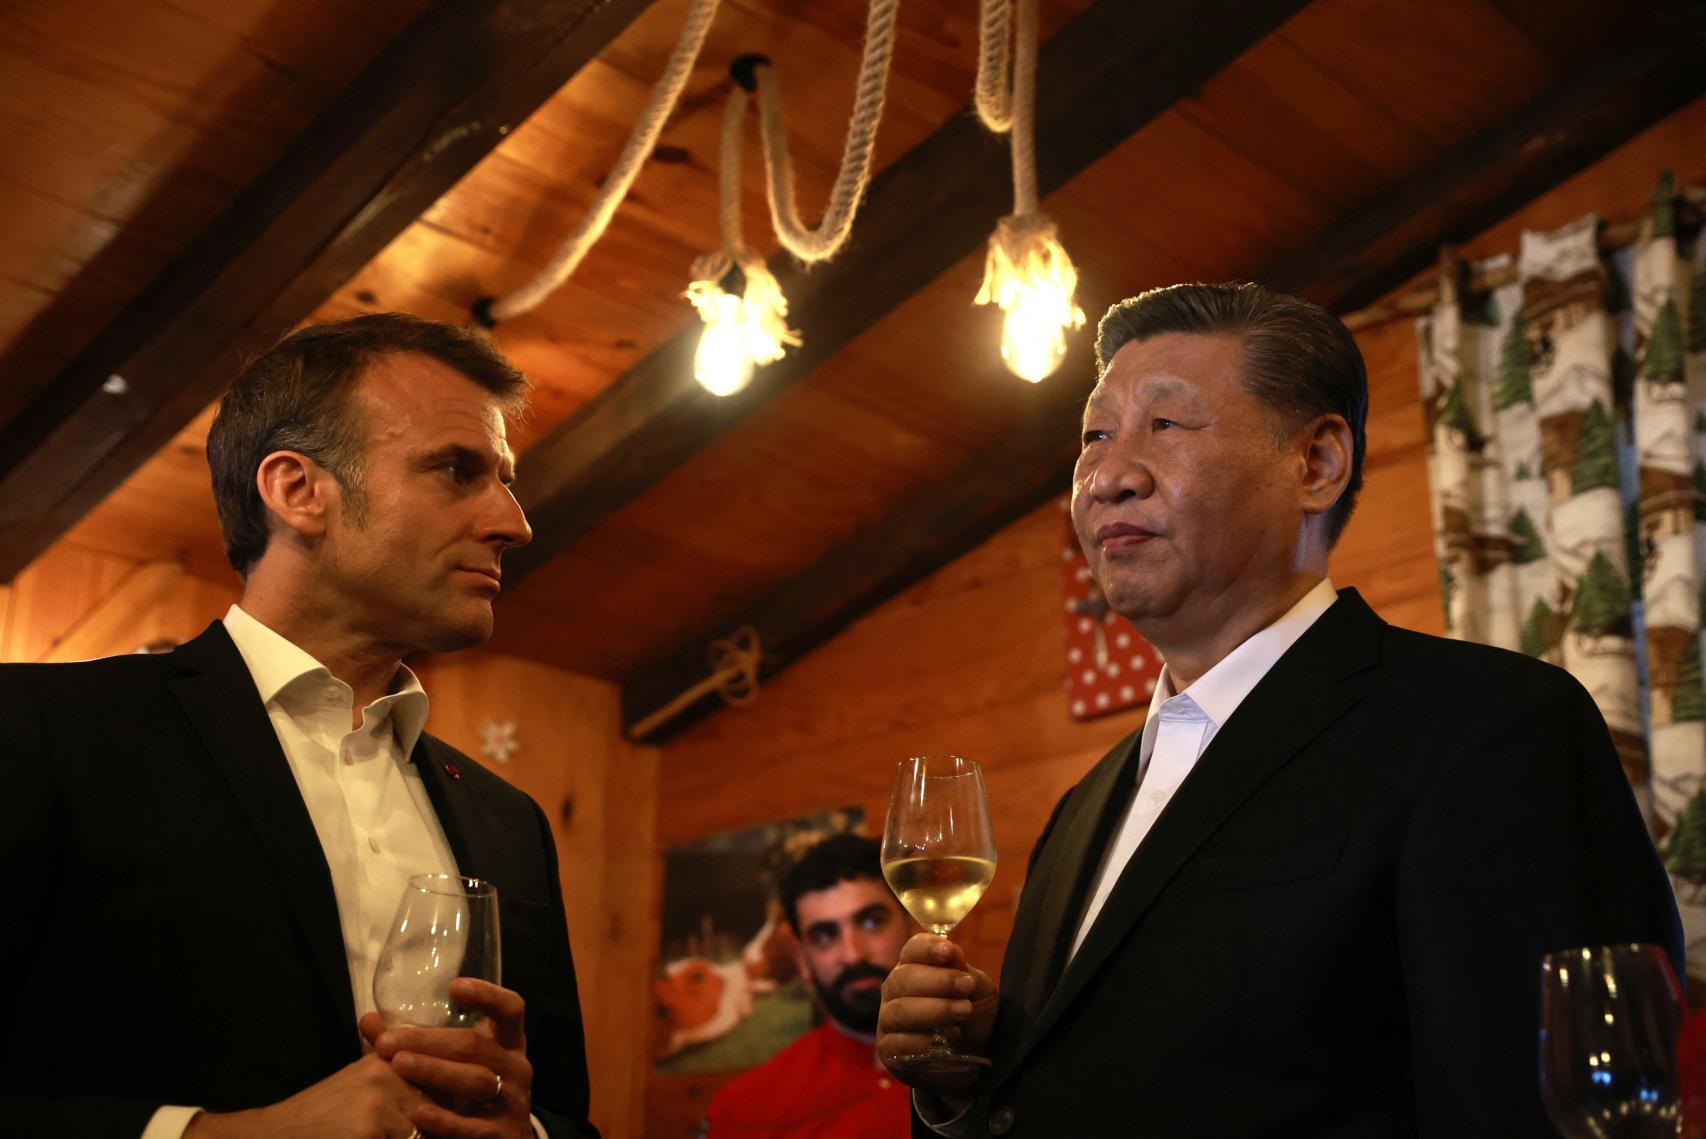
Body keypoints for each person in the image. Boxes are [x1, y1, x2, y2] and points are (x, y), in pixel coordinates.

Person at [875, 282, 1684, 1136]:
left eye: (1166, 424)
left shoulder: (1491, 726)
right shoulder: (1081, 811)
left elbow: (1553, 1110)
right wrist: (967, 1080)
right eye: (1095, 435)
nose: (1109, 474)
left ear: (1316, 464)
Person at [0, 313, 598, 1138]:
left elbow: (566, 1109)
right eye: (458, 470)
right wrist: (219, 1136)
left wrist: (527, 1133)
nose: (515, 522)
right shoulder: (42, 732)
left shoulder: (511, 821)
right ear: (296, 491)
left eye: (506, 479)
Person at [703, 834, 911, 1138]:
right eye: (825, 935)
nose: (852, 955)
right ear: (802, 960)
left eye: (871, 922)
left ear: (911, 924)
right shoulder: (743, 1113)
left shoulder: (988, 1072)